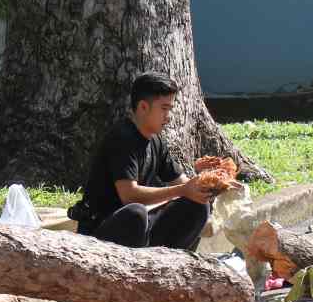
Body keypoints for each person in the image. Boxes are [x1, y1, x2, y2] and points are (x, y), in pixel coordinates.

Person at [71, 71, 229, 251]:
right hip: (102, 234)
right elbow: (129, 195)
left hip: (141, 234)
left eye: (170, 109)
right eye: (164, 108)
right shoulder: (122, 138)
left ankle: (168, 266)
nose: (168, 117)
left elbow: (183, 183)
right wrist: (184, 190)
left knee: (198, 206)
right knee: (135, 214)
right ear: (143, 107)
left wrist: (209, 182)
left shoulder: (156, 140)